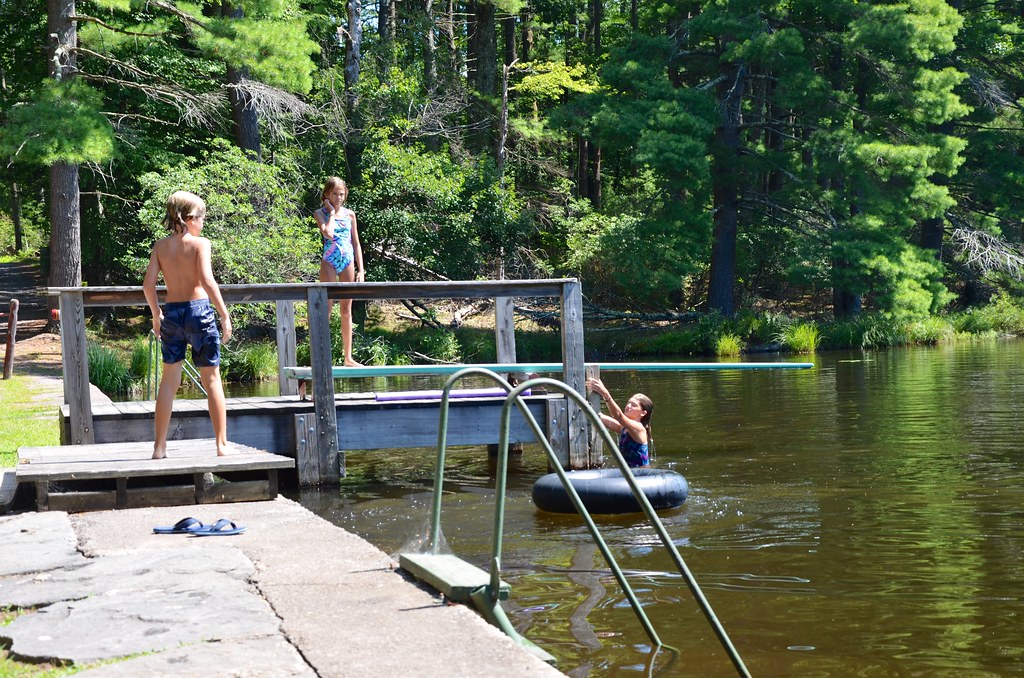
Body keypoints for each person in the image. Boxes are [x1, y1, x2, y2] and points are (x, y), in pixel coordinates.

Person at [143, 190, 233, 459]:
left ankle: (159, 447)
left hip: (172, 313)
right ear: (190, 217)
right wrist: (224, 314)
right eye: (202, 217)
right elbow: (207, 280)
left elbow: (148, 286)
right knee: (212, 379)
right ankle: (221, 444)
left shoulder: (160, 246)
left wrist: (156, 313)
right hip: (199, 312)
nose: (204, 222)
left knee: (169, 381)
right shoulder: (200, 244)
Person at [315, 176, 365, 367]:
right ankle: (321, 355)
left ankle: (348, 357)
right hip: (330, 259)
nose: (338, 197)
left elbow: (356, 243)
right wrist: (332, 213)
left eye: (341, 194)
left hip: (347, 259)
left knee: (346, 310)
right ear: (327, 194)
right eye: (334, 194)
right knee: (326, 309)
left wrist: (361, 270)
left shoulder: (350, 214)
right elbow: (327, 233)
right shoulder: (320, 213)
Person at [585, 377, 653, 467]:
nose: (628, 406)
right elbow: (599, 417)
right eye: (629, 403)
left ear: (643, 413)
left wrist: (605, 393)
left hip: (641, 474)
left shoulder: (639, 429)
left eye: (634, 405)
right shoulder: (623, 428)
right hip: (629, 472)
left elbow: (618, 416)